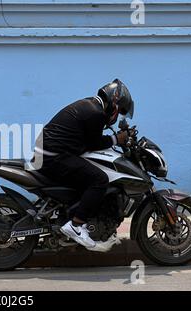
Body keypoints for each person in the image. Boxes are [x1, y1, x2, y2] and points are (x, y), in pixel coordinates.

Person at [34, 79, 134, 248]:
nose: (117, 117)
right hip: (54, 157)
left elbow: (88, 141)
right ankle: (76, 225)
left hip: (49, 154)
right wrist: (117, 139)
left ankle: (76, 215)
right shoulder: (96, 113)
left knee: (88, 175)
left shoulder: (91, 105)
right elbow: (94, 143)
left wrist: (115, 139)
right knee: (100, 180)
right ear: (114, 104)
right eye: (120, 111)